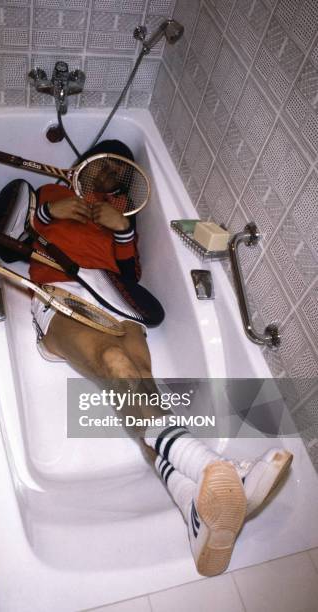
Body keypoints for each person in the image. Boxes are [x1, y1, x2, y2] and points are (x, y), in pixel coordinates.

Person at [28, 140, 293, 577]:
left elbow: (131, 274)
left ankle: (190, 498)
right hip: (63, 289)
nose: (112, 176)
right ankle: (209, 464)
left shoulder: (119, 213)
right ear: (85, 166)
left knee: (140, 383)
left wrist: (121, 230)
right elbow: (12, 238)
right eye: (105, 168)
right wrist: (48, 214)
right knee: (114, 359)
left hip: (114, 295)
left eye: (120, 172)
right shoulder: (51, 193)